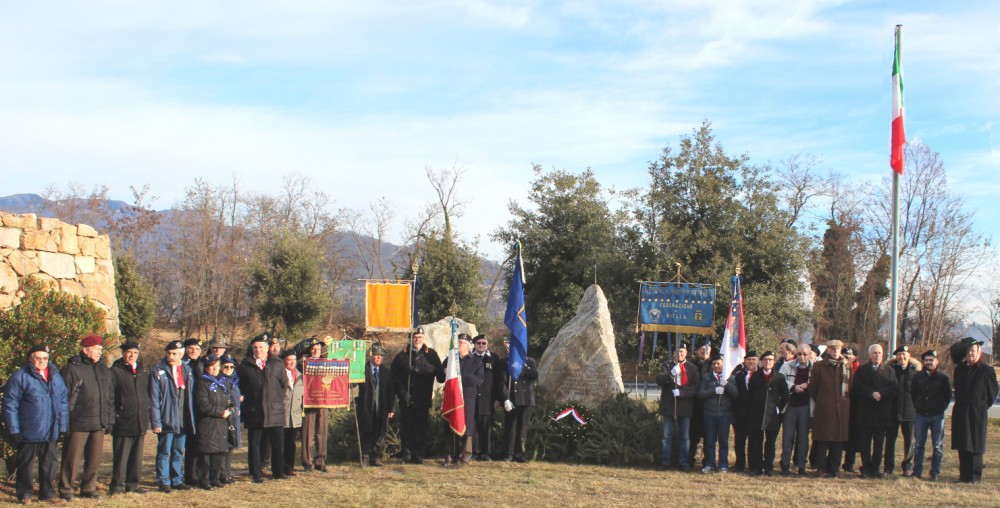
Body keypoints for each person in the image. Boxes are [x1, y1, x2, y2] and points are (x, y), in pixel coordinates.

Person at [3, 345, 69, 505]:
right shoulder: (20, 376)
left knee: (49, 463)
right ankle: (25, 494)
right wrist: (13, 429)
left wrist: (62, 427)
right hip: (28, 429)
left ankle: (47, 493)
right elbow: (10, 404)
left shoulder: (56, 377)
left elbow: (63, 403)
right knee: (26, 464)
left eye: (45, 358)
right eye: (38, 358)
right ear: (31, 359)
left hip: (50, 429)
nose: (42, 361)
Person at [59, 334, 114, 502]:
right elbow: (63, 397)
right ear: (85, 350)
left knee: (94, 459)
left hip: (99, 422)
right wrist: (64, 422)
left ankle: (88, 488)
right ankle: (66, 489)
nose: (100, 352)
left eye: (100, 349)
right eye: (97, 349)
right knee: (72, 459)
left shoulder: (103, 369)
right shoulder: (72, 368)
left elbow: (110, 397)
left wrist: (109, 420)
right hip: (78, 422)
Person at [238, 334, 288, 482]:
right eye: (255, 347)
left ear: (267, 348)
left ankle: (278, 472)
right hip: (255, 410)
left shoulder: (277, 365)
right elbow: (242, 387)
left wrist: (274, 399)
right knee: (255, 444)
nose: (258, 350)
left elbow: (283, 385)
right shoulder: (245, 366)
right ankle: (256, 473)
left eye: (261, 347)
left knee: (277, 444)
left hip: (275, 410)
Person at [950, 337, 999, 484]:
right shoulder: (959, 369)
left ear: (979, 352)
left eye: (973, 350)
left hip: (977, 410)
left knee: (975, 444)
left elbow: (993, 392)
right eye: (968, 351)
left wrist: (981, 405)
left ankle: (974, 476)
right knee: (962, 442)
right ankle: (963, 475)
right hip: (961, 409)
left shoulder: (986, 370)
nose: (970, 353)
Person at [149, 340, 196, 493]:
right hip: (166, 418)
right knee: (164, 451)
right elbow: (154, 399)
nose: (171, 356)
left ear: (181, 355)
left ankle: (177, 479)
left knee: (178, 451)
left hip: (182, 417)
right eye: (169, 353)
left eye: (174, 353)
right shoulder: (158, 371)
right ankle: (163, 480)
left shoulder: (187, 370)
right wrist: (156, 421)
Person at [391, 327, 442, 464]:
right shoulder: (402, 355)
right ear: (410, 339)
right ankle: (406, 454)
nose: (417, 340)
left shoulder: (430, 354)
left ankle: (418, 454)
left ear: (424, 338)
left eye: (420, 337)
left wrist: (421, 369)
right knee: (407, 427)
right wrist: (402, 393)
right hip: (406, 398)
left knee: (421, 427)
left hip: (423, 397)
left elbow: (439, 372)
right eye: (415, 337)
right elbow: (394, 377)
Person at [109, 341, 150, 495]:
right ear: (123, 353)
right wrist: (115, 415)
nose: (132, 355)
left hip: (140, 420)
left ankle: (134, 483)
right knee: (121, 456)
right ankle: (117, 485)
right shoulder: (115, 370)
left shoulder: (142, 370)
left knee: (137, 456)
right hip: (123, 420)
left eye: (135, 352)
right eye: (129, 352)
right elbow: (111, 396)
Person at [808, 339, 852, 478]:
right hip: (824, 408)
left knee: (838, 441)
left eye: (838, 348)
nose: (836, 351)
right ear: (828, 350)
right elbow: (813, 388)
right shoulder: (819, 366)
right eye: (833, 349)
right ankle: (821, 467)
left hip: (842, 408)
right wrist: (823, 400)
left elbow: (850, 386)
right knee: (822, 439)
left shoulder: (847, 366)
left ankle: (834, 468)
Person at [437, 334, 484, 466]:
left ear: (469, 345)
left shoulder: (476, 361)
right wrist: (444, 371)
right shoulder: (450, 359)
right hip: (452, 399)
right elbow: (440, 377)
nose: (459, 344)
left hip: (467, 399)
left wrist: (458, 377)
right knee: (450, 425)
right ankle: (449, 457)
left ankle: (465, 456)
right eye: (457, 342)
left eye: (462, 343)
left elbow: (479, 379)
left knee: (467, 427)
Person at [852, 343, 897, 479]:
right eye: (874, 353)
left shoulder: (889, 370)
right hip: (866, 412)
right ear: (869, 355)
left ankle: (875, 468)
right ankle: (865, 467)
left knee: (879, 443)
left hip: (882, 413)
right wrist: (871, 393)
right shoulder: (862, 370)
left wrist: (881, 393)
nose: (877, 355)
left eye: (879, 353)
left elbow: (894, 387)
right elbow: (858, 386)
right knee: (865, 443)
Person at [655, 343, 701, 471]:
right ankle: (665, 462)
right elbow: (659, 380)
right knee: (666, 437)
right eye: (677, 351)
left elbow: (695, 387)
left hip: (685, 406)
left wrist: (682, 393)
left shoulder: (692, 368)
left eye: (682, 351)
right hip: (669, 406)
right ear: (673, 353)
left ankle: (684, 463)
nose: (679, 354)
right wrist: (670, 375)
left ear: (686, 353)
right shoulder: (667, 365)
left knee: (685, 437)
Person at [746, 351, 788, 476]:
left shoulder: (779, 377)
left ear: (774, 361)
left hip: (772, 416)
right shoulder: (755, 376)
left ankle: (768, 467)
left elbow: (785, 396)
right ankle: (756, 467)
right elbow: (750, 395)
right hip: (756, 415)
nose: (768, 362)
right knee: (756, 442)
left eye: (770, 359)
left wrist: (778, 409)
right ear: (761, 361)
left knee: (770, 443)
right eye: (765, 359)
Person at [911, 349, 951, 481]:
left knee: (937, 445)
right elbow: (913, 393)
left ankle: (935, 472)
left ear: (937, 361)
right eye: (926, 360)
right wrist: (917, 405)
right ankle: (917, 471)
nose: (929, 362)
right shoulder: (917, 377)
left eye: (931, 360)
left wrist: (940, 408)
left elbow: (948, 396)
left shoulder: (943, 378)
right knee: (919, 444)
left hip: (937, 416)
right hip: (921, 415)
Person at [193, 354, 231, 490]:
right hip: (208, 423)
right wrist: (220, 412)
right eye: (211, 366)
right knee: (206, 454)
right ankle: (204, 480)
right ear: (206, 367)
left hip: (221, 423)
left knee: (219, 452)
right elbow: (203, 404)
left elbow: (228, 399)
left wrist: (229, 409)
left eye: (216, 365)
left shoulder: (222, 382)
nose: (215, 368)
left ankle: (215, 478)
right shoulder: (202, 382)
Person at [499, 338, 538, 463]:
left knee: (522, 428)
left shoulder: (529, 361)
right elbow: (502, 382)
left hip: (525, 399)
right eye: (509, 346)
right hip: (511, 399)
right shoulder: (505, 362)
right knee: (510, 427)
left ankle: (519, 453)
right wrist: (505, 399)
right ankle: (509, 453)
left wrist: (518, 368)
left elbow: (534, 375)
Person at [697, 355, 737, 473]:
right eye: (714, 364)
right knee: (709, 441)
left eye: (718, 364)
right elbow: (700, 394)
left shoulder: (730, 378)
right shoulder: (706, 377)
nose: (716, 366)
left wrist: (727, 385)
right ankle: (710, 464)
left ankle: (723, 464)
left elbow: (736, 395)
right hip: (709, 414)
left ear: (723, 365)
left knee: (723, 441)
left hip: (724, 414)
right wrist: (713, 391)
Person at [357, 342, 395, 467]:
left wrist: (391, 408)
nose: (379, 358)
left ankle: (376, 456)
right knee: (367, 432)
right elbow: (353, 384)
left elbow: (391, 392)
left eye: (381, 355)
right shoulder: (363, 370)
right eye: (376, 355)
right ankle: (365, 457)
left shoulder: (387, 372)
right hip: (366, 407)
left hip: (382, 407)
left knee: (380, 433)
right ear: (370, 356)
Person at [779, 343, 812, 475]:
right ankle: (785, 464)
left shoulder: (815, 368)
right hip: (790, 406)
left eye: (805, 354)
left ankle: (801, 465)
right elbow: (780, 379)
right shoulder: (787, 365)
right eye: (799, 354)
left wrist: (807, 385)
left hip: (806, 406)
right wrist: (793, 387)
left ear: (809, 355)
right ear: (795, 354)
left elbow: (818, 381)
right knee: (788, 437)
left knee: (803, 438)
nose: (802, 357)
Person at [886, 344, 919, 476]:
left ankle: (907, 467)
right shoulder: (890, 370)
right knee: (890, 440)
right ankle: (888, 468)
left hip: (909, 411)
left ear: (909, 356)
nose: (901, 357)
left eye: (904, 354)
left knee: (909, 441)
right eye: (899, 355)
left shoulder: (915, 371)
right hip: (892, 411)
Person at [300, 339, 329, 471]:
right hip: (309, 401)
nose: (316, 350)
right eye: (313, 348)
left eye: (318, 348)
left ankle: (320, 460)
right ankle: (307, 462)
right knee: (308, 432)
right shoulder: (302, 364)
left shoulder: (327, 363)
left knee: (321, 431)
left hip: (324, 401)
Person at [471, 334, 499, 460]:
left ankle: (485, 453)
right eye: (479, 343)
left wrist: (498, 398)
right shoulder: (469, 357)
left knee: (486, 427)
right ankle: (474, 452)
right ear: (474, 344)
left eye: (484, 343)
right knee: (474, 427)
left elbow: (498, 380)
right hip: (473, 397)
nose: (481, 345)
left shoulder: (493, 358)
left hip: (488, 399)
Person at [730, 351, 758, 472]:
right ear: (744, 361)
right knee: (739, 441)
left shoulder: (762, 375)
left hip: (755, 414)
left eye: (753, 359)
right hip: (740, 413)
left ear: (757, 361)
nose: (751, 362)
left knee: (753, 441)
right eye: (749, 359)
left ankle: (753, 466)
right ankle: (739, 464)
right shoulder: (738, 375)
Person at [181, 338, 203, 486]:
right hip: (186, 408)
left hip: (201, 408)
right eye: (190, 348)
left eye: (196, 348)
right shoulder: (181, 365)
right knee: (189, 444)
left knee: (200, 444)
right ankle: (189, 475)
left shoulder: (203, 364)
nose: (194, 351)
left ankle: (199, 474)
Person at [687, 337, 712, 468]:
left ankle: (707, 462)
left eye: (707, 349)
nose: (704, 352)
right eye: (702, 349)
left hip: (709, 407)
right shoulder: (691, 365)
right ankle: (690, 460)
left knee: (709, 437)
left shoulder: (714, 365)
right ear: (697, 351)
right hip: (694, 406)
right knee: (693, 436)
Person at [219, 354, 241, 484]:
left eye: (231, 366)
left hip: (234, 418)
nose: (228, 368)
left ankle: (228, 472)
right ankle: (222, 473)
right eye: (225, 366)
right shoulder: (219, 381)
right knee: (223, 445)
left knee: (231, 445)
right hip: (224, 417)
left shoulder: (235, 380)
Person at [280, 349, 303, 476]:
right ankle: (280, 467)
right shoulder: (280, 374)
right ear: (284, 361)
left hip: (295, 415)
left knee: (291, 443)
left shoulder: (300, 376)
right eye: (289, 360)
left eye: (293, 360)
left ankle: (290, 467)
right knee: (281, 443)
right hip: (282, 414)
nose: (291, 362)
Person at [841, 346, 861, 474]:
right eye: (845, 356)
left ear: (854, 357)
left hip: (856, 408)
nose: (847, 359)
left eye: (850, 356)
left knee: (853, 437)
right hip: (841, 406)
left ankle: (850, 463)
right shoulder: (839, 368)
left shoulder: (860, 370)